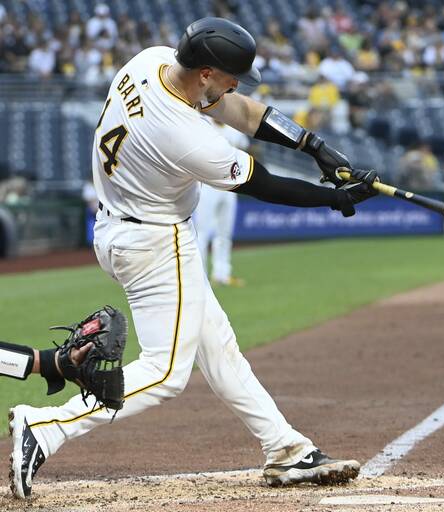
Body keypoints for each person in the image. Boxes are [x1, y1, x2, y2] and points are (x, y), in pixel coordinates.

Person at [8, 17, 377, 499]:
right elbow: (261, 184)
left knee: (217, 346)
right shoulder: (184, 135)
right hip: (155, 244)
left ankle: (286, 450)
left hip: (124, 228)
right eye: (228, 76)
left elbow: (241, 111)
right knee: (164, 373)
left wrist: (313, 145)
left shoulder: (153, 60)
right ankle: (47, 427)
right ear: (205, 72)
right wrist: (334, 199)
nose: (233, 85)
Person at [194, 120, 249, 286]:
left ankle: (222, 274)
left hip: (230, 185)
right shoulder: (203, 123)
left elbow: (244, 146)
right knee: (202, 234)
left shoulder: (233, 128)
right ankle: (199, 278)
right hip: (207, 185)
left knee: (224, 233)